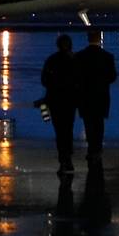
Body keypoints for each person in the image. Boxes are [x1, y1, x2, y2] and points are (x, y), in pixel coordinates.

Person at [74, 31, 118, 161]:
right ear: (99, 39)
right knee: (99, 123)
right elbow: (112, 76)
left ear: (88, 38)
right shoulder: (107, 56)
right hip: (101, 94)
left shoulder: (79, 56)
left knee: (88, 123)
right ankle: (97, 148)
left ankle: (91, 147)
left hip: (85, 95)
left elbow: (76, 76)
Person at [40, 33, 80, 171]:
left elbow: (44, 80)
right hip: (70, 100)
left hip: (55, 100)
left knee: (59, 130)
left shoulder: (52, 60)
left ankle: (63, 157)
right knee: (68, 129)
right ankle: (67, 157)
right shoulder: (75, 60)